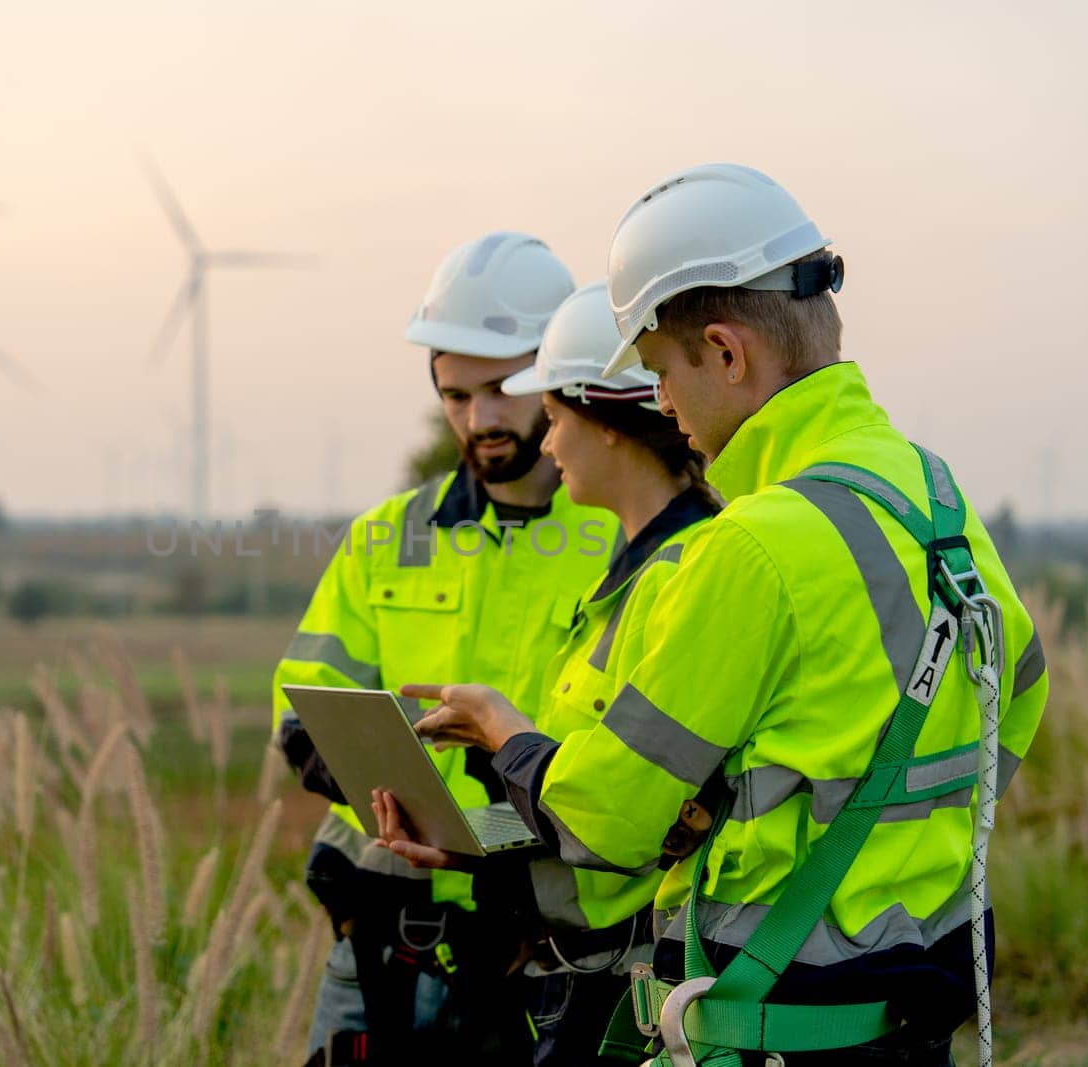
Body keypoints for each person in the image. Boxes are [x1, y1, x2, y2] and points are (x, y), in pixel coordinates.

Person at [375, 165, 1048, 1065]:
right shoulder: (931, 493)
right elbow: (1020, 688)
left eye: (658, 370)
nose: (658, 405)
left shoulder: (755, 546)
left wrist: (505, 732)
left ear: (728, 354)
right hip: (911, 1015)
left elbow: (605, 819)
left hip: (769, 1024)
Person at [271, 232, 620, 1066]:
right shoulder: (387, 537)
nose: (480, 418)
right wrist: (392, 799)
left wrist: (497, 827)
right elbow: (304, 711)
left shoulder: (626, 536)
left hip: (549, 951)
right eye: (456, 394)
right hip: (385, 943)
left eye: (503, 388)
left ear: (562, 370)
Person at [484, 280, 721, 1063]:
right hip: (584, 976)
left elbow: (638, 818)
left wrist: (499, 731)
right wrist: (461, 838)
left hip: (634, 987)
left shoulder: (686, 576)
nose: (546, 445)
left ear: (610, 424)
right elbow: (585, 788)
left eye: (554, 419)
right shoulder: (627, 574)